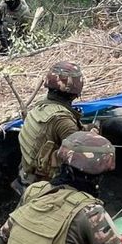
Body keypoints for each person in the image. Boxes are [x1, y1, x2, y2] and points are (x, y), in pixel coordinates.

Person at [16, 61, 86, 190]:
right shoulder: (62, 120)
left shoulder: (41, 105)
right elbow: (80, 160)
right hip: (45, 186)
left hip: (25, 175)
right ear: (76, 90)